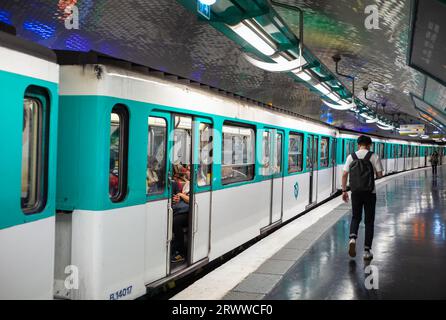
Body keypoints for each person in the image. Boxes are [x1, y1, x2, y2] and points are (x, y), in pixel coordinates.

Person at [341, 135, 383, 261]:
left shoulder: (351, 157)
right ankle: (366, 251)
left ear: (358, 144)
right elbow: (380, 175)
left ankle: (352, 238)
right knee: (369, 221)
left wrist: (344, 191)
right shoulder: (373, 156)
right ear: (369, 145)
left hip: (356, 192)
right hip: (370, 192)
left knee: (355, 217)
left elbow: (344, 174)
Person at [171, 165, 191, 263]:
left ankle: (180, 252)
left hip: (191, 212)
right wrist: (177, 198)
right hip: (183, 209)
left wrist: (180, 195)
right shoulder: (187, 183)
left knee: (176, 222)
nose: (187, 172)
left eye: (189, 170)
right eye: (187, 170)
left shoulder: (200, 182)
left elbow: (192, 199)